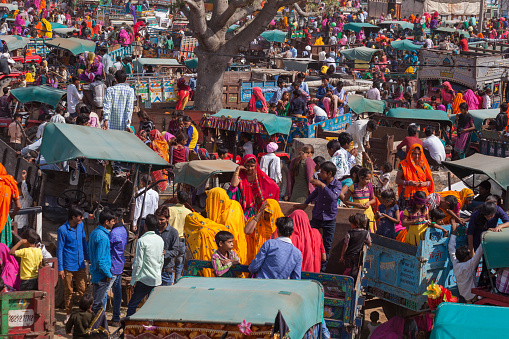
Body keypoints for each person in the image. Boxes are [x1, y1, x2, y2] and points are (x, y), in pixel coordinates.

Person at [296, 161, 342, 272]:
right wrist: (306, 203)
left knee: (327, 245)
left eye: (322, 172)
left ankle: (322, 271)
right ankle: (307, 266)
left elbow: (333, 198)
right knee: (307, 239)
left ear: (330, 173)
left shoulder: (337, 184)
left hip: (329, 219)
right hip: (317, 216)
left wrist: (322, 185)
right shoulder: (321, 181)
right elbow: (315, 193)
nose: (320, 174)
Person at [127, 214, 164, 317]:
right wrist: (158, 274)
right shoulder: (160, 240)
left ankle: (128, 328)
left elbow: (138, 263)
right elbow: (161, 261)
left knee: (132, 305)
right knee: (153, 306)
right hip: (156, 279)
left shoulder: (142, 241)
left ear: (145, 226)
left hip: (144, 279)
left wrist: (133, 280)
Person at [57, 207, 89, 323]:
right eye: (80, 216)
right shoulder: (62, 230)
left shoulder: (80, 226)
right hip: (67, 265)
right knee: (68, 291)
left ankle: (83, 314)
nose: (82, 218)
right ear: (73, 218)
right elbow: (59, 250)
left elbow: (84, 241)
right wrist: (60, 268)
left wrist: (87, 257)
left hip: (80, 264)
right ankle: (68, 314)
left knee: (83, 290)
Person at [229, 154, 280, 218]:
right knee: (232, 189)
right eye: (247, 166)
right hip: (243, 204)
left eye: (252, 166)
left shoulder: (259, 174)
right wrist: (238, 169)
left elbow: (272, 186)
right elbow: (233, 184)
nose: (250, 168)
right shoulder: (241, 174)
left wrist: (261, 197)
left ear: (255, 165)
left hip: (256, 203)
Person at [88, 210, 115, 314]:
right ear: (106, 222)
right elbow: (100, 261)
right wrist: (108, 274)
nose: (113, 223)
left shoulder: (94, 233)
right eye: (112, 221)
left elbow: (89, 251)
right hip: (101, 275)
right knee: (97, 305)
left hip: (95, 273)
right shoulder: (103, 237)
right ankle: (93, 328)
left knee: (95, 302)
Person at [448, 222, 483, 303]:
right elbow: (478, 254)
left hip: (463, 297)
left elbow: (451, 248)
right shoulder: (468, 265)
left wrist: (454, 232)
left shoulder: (455, 262)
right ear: (466, 258)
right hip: (472, 298)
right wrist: (484, 237)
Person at [395, 144, 435, 208]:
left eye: (419, 154)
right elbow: (397, 180)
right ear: (411, 153)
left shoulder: (424, 166)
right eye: (414, 154)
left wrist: (424, 183)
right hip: (408, 197)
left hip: (422, 196)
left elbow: (430, 181)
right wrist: (408, 183)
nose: (417, 156)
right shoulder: (404, 165)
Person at [107, 208, 128, 326]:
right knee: (117, 292)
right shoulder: (124, 229)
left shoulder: (114, 233)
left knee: (105, 293)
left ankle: (102, 319)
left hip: (113, 266)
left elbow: (107, 249)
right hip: (119, 264)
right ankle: (116, 317)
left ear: (115, 219)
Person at [154, 205, 182, 286]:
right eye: (157, 219)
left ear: (167, 219)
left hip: (166, 272)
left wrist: (164, 253)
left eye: (161, 219)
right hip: (154, 271)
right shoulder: (153, 231)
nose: (159, 222)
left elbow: (176, 252)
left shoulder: (173, 232)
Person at [340, 213, 371, 282]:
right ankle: (353, 284)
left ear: (356, 224)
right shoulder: (366, 233)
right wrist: (365, 242)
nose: (350, 224)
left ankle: (344, 283)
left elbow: (346, 244)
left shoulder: (349, 232)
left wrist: (342, 255)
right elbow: (369, 243)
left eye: (351, 223)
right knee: (355, 271)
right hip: (358, 257)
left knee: (348, 270)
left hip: (349, 256)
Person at [343, 168, 376, 232]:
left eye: (369, 179)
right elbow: (345, 201)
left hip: (368, 213)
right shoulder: (353, 187)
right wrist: (357, 204)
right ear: (360, 178)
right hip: (358, 214)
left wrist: (368, 203)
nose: (368, 181)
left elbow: (373, 199)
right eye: (367, 179)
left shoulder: (369, 186)